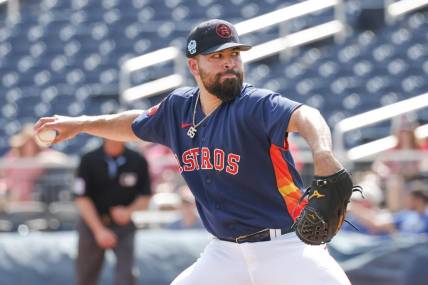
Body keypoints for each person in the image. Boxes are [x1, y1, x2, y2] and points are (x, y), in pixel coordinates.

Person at [35, 19, 351, 285]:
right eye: (217, 56)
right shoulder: (178, 108)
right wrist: (80, 124)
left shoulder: (254, 105)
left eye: (234, 55)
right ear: (193, 65)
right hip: (224, 252)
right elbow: (132, 123)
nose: (229, 62)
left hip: (285, 245)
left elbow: (307, 115)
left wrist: (322, 151)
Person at [73, 138, 152, 285]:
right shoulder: (88, 159)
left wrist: (128, 211)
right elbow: (81, 198)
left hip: (123, 226)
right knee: (85, 277)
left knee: (126, 276)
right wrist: (99, 230)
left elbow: (146, 197)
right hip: (92, 225)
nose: (114, 137)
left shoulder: (137, 160)